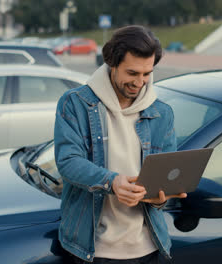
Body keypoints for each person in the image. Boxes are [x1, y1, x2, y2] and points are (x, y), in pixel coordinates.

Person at [54, 25, 187, 263]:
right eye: (132, 73)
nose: (140, 82)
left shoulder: (162, 113)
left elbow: (166, 176)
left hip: (148, 247)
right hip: (92, 249)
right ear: (112, 63)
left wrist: (161, 197)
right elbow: (68, 161)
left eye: (147, 73)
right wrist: (112, 182)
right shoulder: (75, 103)